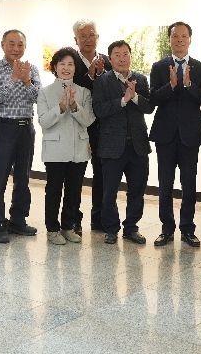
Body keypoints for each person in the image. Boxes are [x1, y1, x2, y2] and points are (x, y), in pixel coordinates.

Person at [150, 21, 201, 248]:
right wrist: (171, 86)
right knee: (165, 185)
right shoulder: (159, 67)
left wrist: (188, 85)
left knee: (188, 184)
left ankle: (187, 229)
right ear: (170, 39)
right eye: (175, 36)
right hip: (165, 135)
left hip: (190, 136)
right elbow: (153, 99)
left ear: (190, 40)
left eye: (184, 36)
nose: (179, 40)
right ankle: (166, 229)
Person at [93, 40, 154, 245]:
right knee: (109, 191)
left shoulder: (140, 79)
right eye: (117, 55)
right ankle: (111, 229)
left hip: (138, 146)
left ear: (130, 56)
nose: (122, 58)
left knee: (137, 190)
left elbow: (149, 107)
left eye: (125, 54)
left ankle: (131, 228)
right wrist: (123, 100)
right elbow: (99, 110)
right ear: (110, 59)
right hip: (111, 146)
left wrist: (134, 96)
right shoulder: (102, 81)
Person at [0, 29, 42, 243]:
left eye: (20, 45)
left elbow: (39, 98)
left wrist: (26, 81)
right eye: (11, 44)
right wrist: (14, 78)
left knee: (23, 178)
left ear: (25, 47)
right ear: (2, 45)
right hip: (4, 128)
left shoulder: (32, 69)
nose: (16, 48)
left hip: (26, 128)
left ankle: (18, 220)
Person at [37, 47, 96, 245]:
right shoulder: (45, 92)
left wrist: (74, 107)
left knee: (74, 191)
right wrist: (61, 107)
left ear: (75, 68)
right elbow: (44, 121)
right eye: (62, 64)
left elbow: (89, 120)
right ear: (55, 67)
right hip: (55, 150)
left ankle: (68, 227)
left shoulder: (84, 92)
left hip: (79, 149)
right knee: (54, 191)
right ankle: (52, 230)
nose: (66, 68)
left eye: (70, 64)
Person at [70, 19, 112, 234]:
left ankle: (99, 218)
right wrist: (90, 76)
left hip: (102, 127)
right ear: (75, 39)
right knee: (75, 174)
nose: (88, 39)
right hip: (76, 125)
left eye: (91, 35)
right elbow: (69, 88)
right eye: (83, 36)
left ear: (98, 37)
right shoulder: (70, 60)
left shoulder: (108, 60)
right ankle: (73, 219)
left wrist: (101, 76)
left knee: (102, 174)